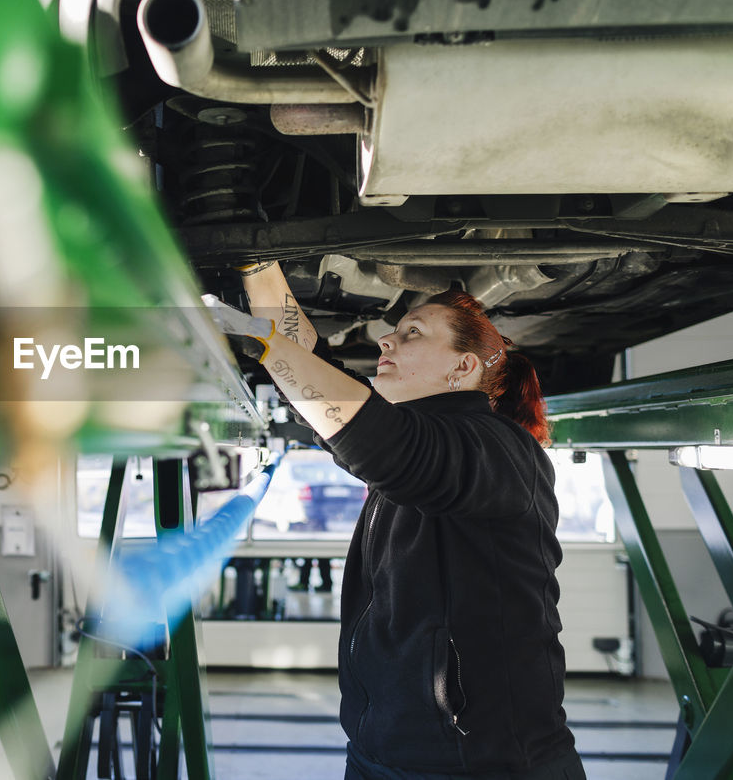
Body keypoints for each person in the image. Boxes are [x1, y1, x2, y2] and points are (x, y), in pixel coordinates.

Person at [206, 261, 585, 780]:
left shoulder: (501, 449)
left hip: (480, 764)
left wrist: (266, 343)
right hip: (380, 751)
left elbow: (380, 444)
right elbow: (322, 379)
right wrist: (257, 264)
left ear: (463, 368)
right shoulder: (419, 436)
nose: (385, 340)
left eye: (412, 333)